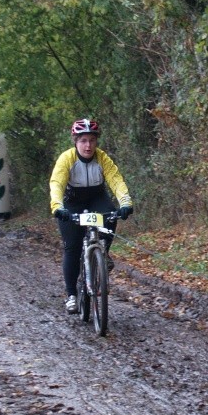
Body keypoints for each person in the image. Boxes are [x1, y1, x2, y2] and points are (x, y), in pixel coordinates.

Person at [49, 118, 133, 314]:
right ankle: (71, 295)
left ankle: (102, 253)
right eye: (83, 140)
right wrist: (58, 207)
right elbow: (57, 183)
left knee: (111, 216)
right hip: (72, 201)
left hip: (97, 197)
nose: (88, 145)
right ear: (76, 141)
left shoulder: (102, 158)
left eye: (92, 141)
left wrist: (126, 203)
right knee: (72, 247)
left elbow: (116, 181)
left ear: (96, 142)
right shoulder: (67, 159)